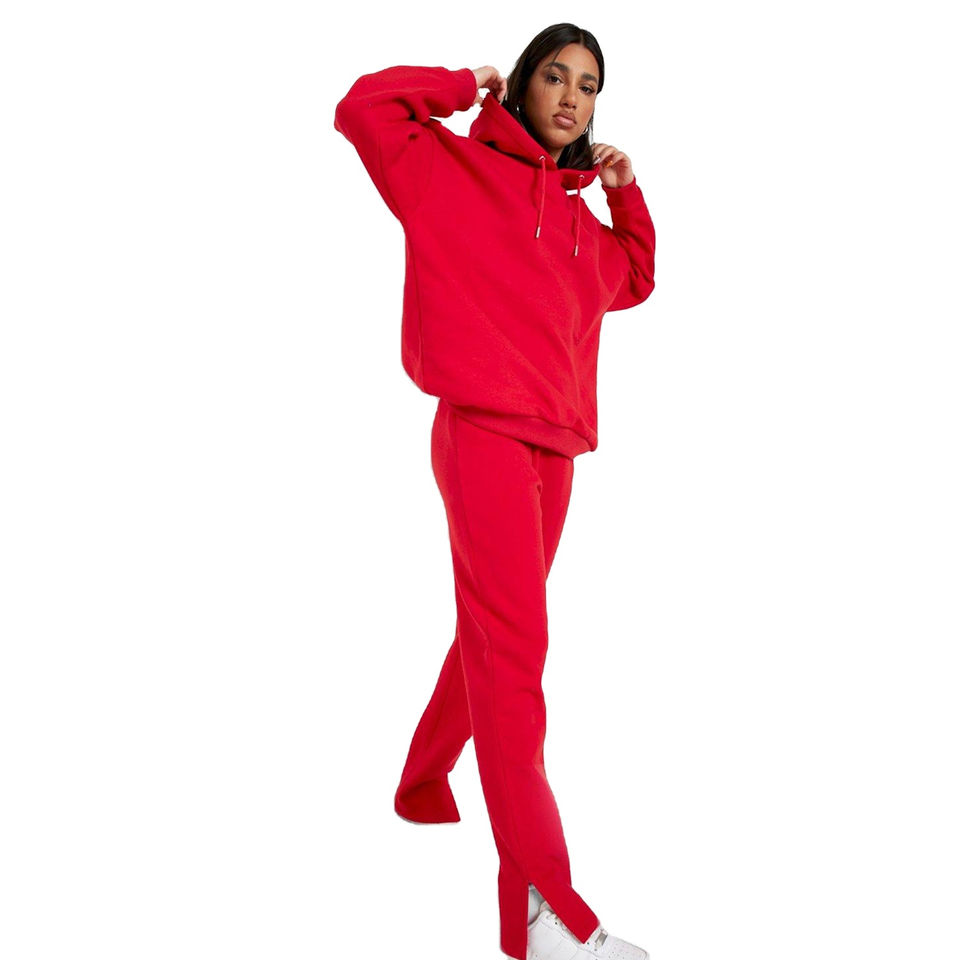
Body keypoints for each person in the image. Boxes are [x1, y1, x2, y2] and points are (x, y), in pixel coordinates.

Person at [333, 21, 655, 960]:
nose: (572, 97)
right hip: (479, 435)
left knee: (495, 632)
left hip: (555, 451)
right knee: (515, 656)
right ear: (519, 84)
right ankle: (544, 912)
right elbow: (362, 109)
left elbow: (637, 277)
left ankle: (421, 780)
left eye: (589, 86)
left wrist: (626, 192)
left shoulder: (582, 225)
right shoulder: (446, 170)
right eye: (555, 76)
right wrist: (456, 81)